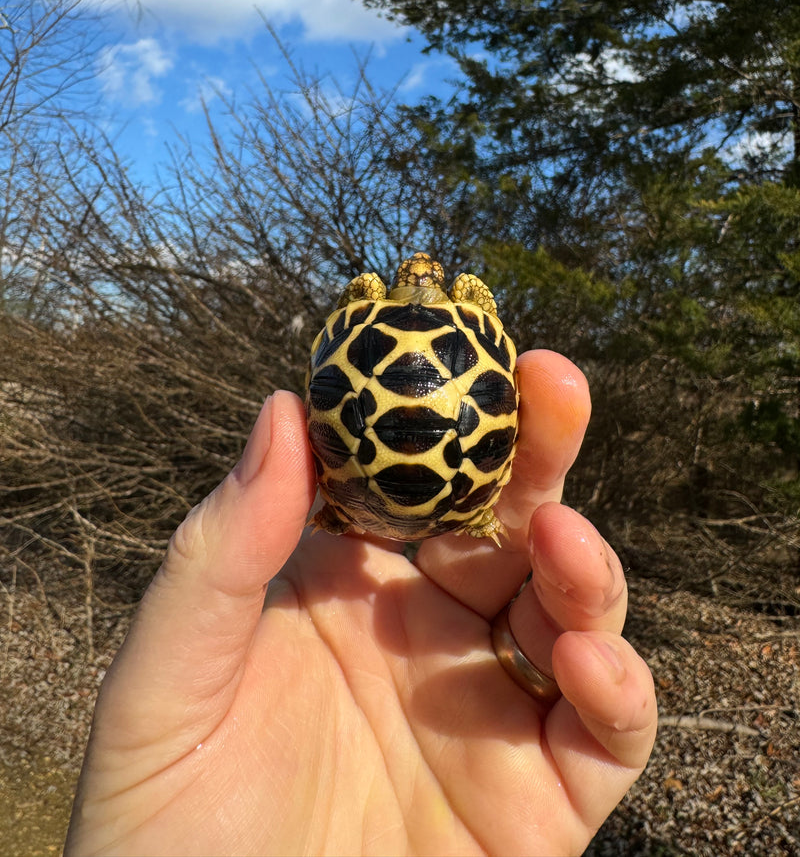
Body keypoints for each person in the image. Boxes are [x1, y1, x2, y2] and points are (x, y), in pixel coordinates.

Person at [65, 349, 657, 856]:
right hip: (445, 497)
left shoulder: (366, 311)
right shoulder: (468, 316)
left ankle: (414, 504)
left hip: (357, 496)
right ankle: (468, 506)